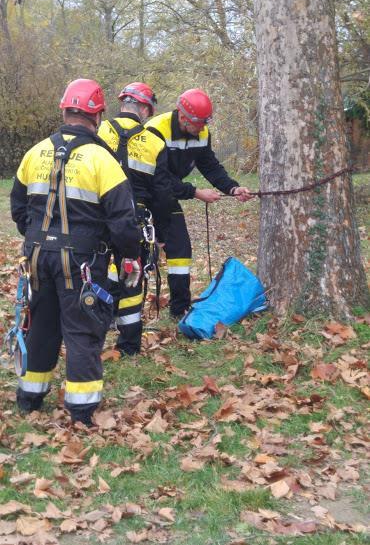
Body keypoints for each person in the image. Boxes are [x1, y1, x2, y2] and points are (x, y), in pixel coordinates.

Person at [10, 78, 141, 426]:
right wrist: (128, 255)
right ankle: (81, 410)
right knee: (82, 329)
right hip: (82, 262)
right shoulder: (102, 160)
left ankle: (30, 398)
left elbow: (18, 207)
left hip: (38, 257)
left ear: (64, 111)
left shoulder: (34, 152)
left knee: (42, 325)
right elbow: (123, 221)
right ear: (97, 116)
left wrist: (38, 237)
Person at [145, 88, 253, 319]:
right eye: (199, 123)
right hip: (142, 195)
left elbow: (210, 165)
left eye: (205, 122)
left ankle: (179, 309)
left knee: (180, 250)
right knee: (135, 254)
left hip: (168, 196)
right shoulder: (156, 130)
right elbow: (157, 177)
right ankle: (116, 311)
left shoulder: (202, 133)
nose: (203, 128)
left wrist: (232, 188)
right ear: (183, 117)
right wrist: (194, 192)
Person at [98, 82, 173, 355]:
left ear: (123, 104)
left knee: (95, 274)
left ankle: (96, 329)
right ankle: (129, 344)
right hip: (136, 222)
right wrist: (162, 235)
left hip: (98, 219)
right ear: (143, 108)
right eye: (148, 110)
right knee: (132, 277)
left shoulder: (99, 130)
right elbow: (162, 195)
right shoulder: (154, 142)